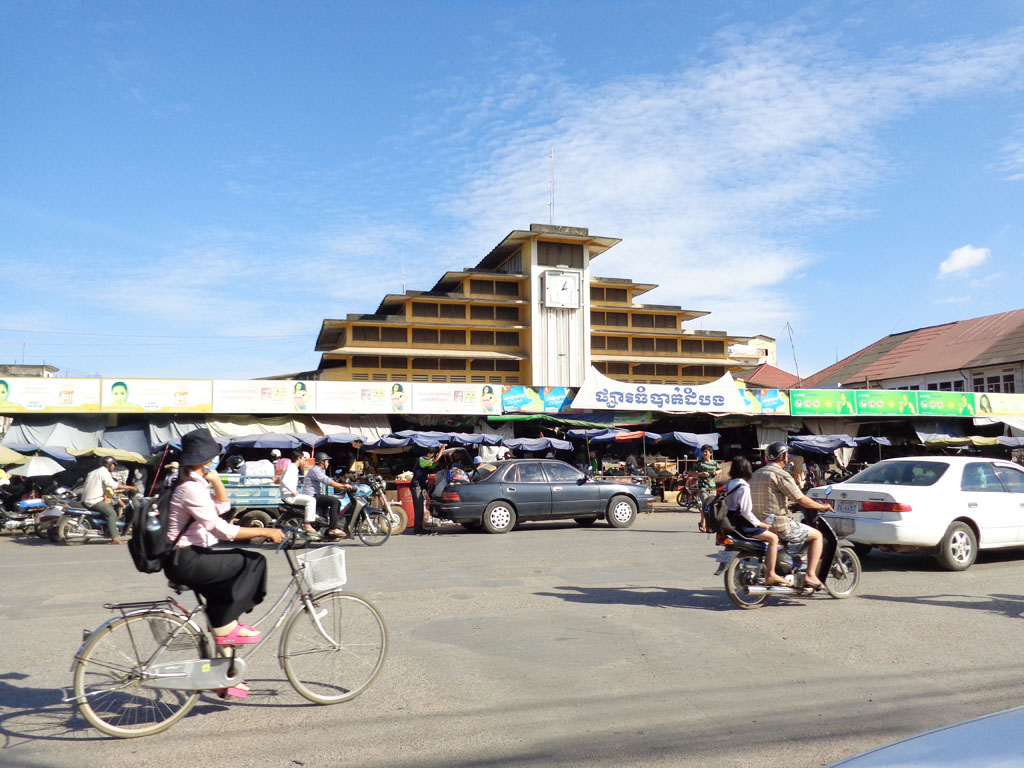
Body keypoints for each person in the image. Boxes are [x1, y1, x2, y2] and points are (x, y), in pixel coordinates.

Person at [163, 428, 284, 701]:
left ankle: (225, 678)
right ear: (203, 459)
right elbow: (222, 531)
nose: (214, 462)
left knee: (222, 606)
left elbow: (223, 507)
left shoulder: (194, 484)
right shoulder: (190, 488)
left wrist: (216, 479)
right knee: (252, 561)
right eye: (211, 459)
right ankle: (230, 629)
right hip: (187, 559)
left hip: (190, 556)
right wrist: (264, 532)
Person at [749, 441, 831, 590]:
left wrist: (785, 504)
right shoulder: (780, 474)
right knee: (817, 535)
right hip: (778, 525)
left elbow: (767, 497)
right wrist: (822, 507)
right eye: (787, 455)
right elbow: (801, 498)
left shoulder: (756, 473)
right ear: (783, 456)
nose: (789, 458)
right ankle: (810, 575)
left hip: (759, 523)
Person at [724, 457, 788, 586]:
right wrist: (760, 524)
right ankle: (771, 574)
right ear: (747, 469)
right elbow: (745, 512)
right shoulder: (744, 487)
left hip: (732, 523)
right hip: (743, 525)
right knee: (774, 539)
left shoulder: (730, 484)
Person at [300, 452, 356, 539]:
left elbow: (328, 480)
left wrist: (341, 485)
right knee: (335, 501)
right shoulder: (315, 470)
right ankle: (332, 528)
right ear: (322, 462)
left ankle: (325, 527)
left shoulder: (318, 470)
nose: (328, 463)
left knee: (330, 502)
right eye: (327, 461)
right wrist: (343, 486)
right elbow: (327, 481)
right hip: (312, 495)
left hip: (316, 495)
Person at [81, 456, 137, 544]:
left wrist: (107, 497)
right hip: (93, 500)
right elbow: (112, 485)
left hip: (87, 499)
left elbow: (104, 487)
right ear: (109, 465)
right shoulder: (103, 472)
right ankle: (115, 538)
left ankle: (107, 530)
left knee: (109, 506)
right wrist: (130, 487)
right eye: (114, 465)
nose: (114, 467)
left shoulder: (93, 472)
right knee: (112, 514)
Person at [279, 450, 322, 539]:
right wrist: (293, 491)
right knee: (311, 500)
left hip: (288, 495)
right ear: (299, 458)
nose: (304, 461)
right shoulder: (292, 468)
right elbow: (284, 481)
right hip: (290, 496)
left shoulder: (293, 468)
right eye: (303, 459)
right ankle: (307, 524)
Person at [412, 445, 442, 535]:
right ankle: (417, 529)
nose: (432, 457)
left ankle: (419, 527)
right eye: (432, 455)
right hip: (416, 486)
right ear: (429, 454)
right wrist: (441, 450)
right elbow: (435, 461)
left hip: (420, 486)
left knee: (420, 507)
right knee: (418, 508)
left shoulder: (427, 460)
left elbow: (434, 464)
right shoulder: (422, 459)